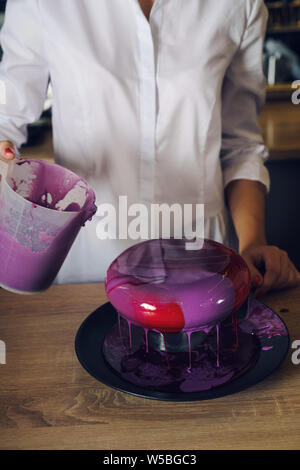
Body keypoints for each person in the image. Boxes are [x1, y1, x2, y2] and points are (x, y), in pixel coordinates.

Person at [0, 0, 299, 297]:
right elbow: (6, 117)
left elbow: (240, 145)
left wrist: (252, 243)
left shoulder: (238, 5)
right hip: (89, 271)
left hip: (205, 267)